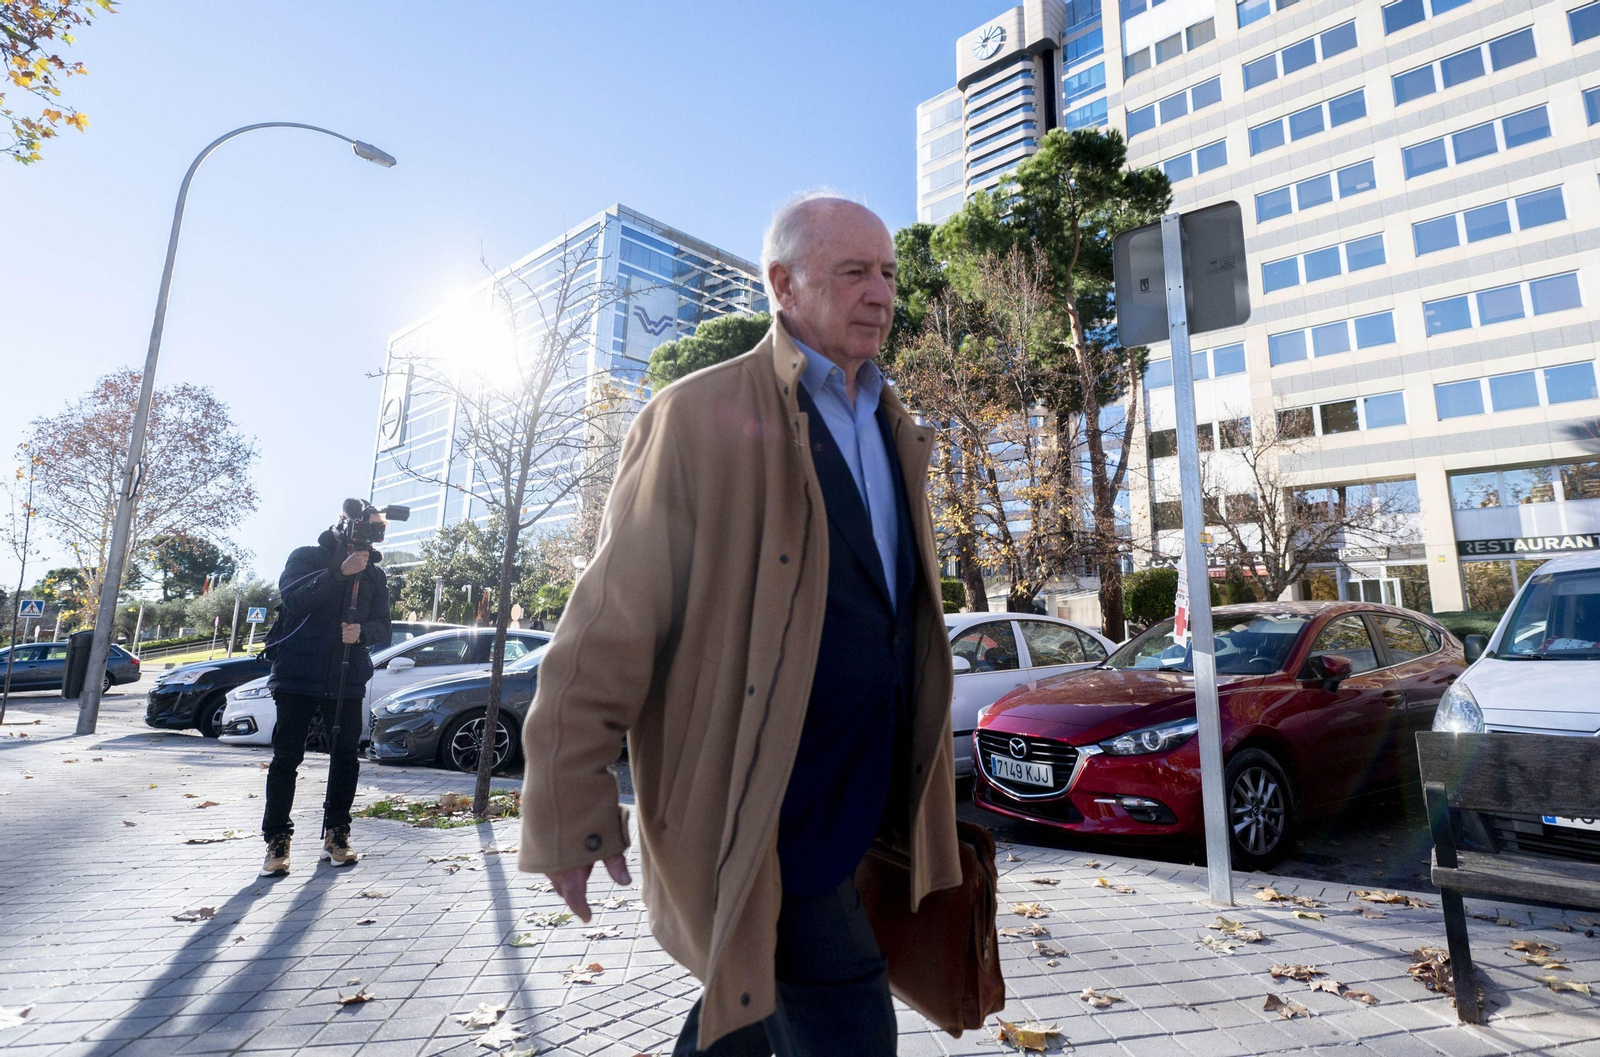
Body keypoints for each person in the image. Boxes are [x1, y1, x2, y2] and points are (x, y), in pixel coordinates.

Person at [518, 192, 962, 1056]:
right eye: (852, 272)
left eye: (888, 273)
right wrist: (570, 803)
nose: (881, 293)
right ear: (782, 285)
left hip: (870, 790)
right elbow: (609, 626)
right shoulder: (692, 417)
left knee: (748, 1010)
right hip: (763, 798)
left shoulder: (895, 422)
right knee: (845, 1019)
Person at [259, 501, 391, 876]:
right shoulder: (306, 556)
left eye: (378, 532)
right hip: (298, 673)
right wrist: (338, 573)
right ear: (345, 525)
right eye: (366, 529)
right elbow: (293, 600)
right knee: (287, 758)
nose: (371, 539)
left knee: (346, 757)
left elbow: (384, 624)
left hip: (346, 677)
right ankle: (277, 840)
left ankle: (337, 834)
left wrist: (363, 633)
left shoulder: (375, 575)